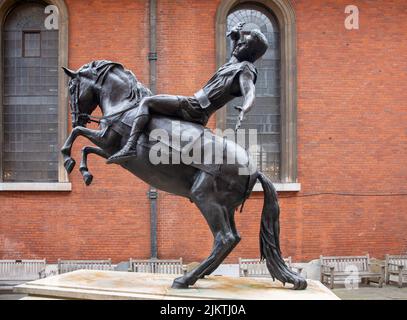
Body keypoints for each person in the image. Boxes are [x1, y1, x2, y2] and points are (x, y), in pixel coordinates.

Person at [107, 22, 269, 164]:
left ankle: (130, 146)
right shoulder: (235, 64)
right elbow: (234, 56)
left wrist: (244, 109)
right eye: (240, 41)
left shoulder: (246, 70)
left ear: (250, 52)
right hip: (198, 107)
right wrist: (234, 38)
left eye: (244, 43)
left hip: (194, 106)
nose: (240, 44)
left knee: (147, 102)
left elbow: (250, 93)